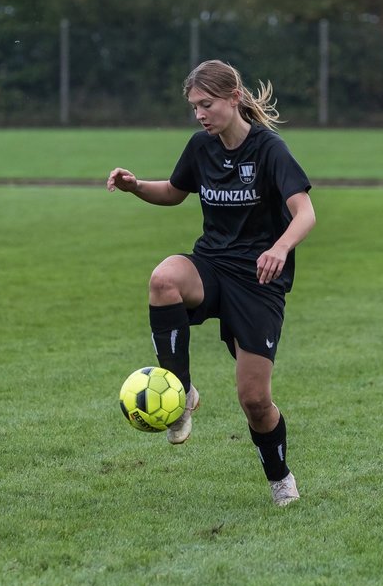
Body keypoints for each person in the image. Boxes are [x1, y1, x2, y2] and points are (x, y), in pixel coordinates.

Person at [106, 59, 316, 507]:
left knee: (255, 400)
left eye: (207, 104)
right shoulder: (201, 148)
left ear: (234, 98)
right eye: (194, 107)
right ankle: (181, 395)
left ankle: (280, 479)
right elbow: (173, 192)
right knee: (163, 279)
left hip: (259, 280)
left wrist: (279, 249)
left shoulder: (268, 149)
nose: (200, 114)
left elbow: (306, 213)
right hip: (212, 265)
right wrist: (135, 185)